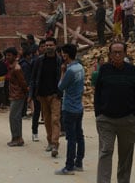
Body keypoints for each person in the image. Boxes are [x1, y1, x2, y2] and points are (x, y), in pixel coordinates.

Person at [94, 42, 135, 183]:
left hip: (127, 120)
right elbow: (98, 93)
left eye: (120, 52)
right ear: (109, 54)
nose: (117, 55)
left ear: (125, 54)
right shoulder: (104, 70)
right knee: (105, 152)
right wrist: (98, 114)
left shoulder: (132, 70)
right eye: (114, 52)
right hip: (106, 120)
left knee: (125, 156)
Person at [55, 44, 85, 175]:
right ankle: (79, 162)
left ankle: (69, 166)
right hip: (79, 106)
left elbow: (61, 87)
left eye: (62, 53)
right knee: (79, 136)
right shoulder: (80, 68)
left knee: (71, 138)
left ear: (66, 54)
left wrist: (62, 71)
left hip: (69, 107)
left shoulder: (70, 71)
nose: (62, 56)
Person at [30, 37, 62, 158]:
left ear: (55, 46)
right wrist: (33, 95)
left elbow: (62, 77)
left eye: (51, 45)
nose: (48, 47)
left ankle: (55, 144)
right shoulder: (39, 61)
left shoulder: (59, 61)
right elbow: (33, 78)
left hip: (55, 95)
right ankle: (49, 141)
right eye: (46, 45)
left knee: (55, 119)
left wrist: (59, 92)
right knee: (47, 120)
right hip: (42, 95)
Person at [5, 47, 28, 147]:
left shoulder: (17, 68)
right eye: (7, 55)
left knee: (14, 117)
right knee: (15, 117)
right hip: (13, 95)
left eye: (9, 55)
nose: (7, 57)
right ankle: (17, 137)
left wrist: (25, 93)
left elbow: (22, 82)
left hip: (18, 95)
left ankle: (17, 138)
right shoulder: (11, 67)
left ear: (15, 56)